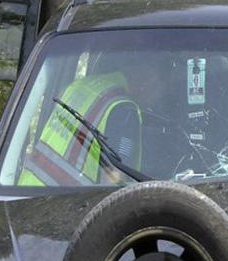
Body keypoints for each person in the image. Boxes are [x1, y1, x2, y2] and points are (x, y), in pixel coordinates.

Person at [17, 65, 146, 186]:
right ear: (145, 73)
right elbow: (115, 180)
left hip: (26, 190)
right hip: (71, 203)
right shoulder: (123, 109)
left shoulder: (80, 85)